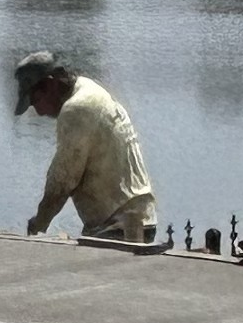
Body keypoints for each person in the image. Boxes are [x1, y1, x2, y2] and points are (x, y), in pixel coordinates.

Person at [15, 52, 156, 244]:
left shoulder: (76, 109)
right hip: (139, 217)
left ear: (50, 84)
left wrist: (39, 224)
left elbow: (62, 181)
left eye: (36, 100)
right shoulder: (89, 89)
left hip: (118, 224)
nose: (39, 112)